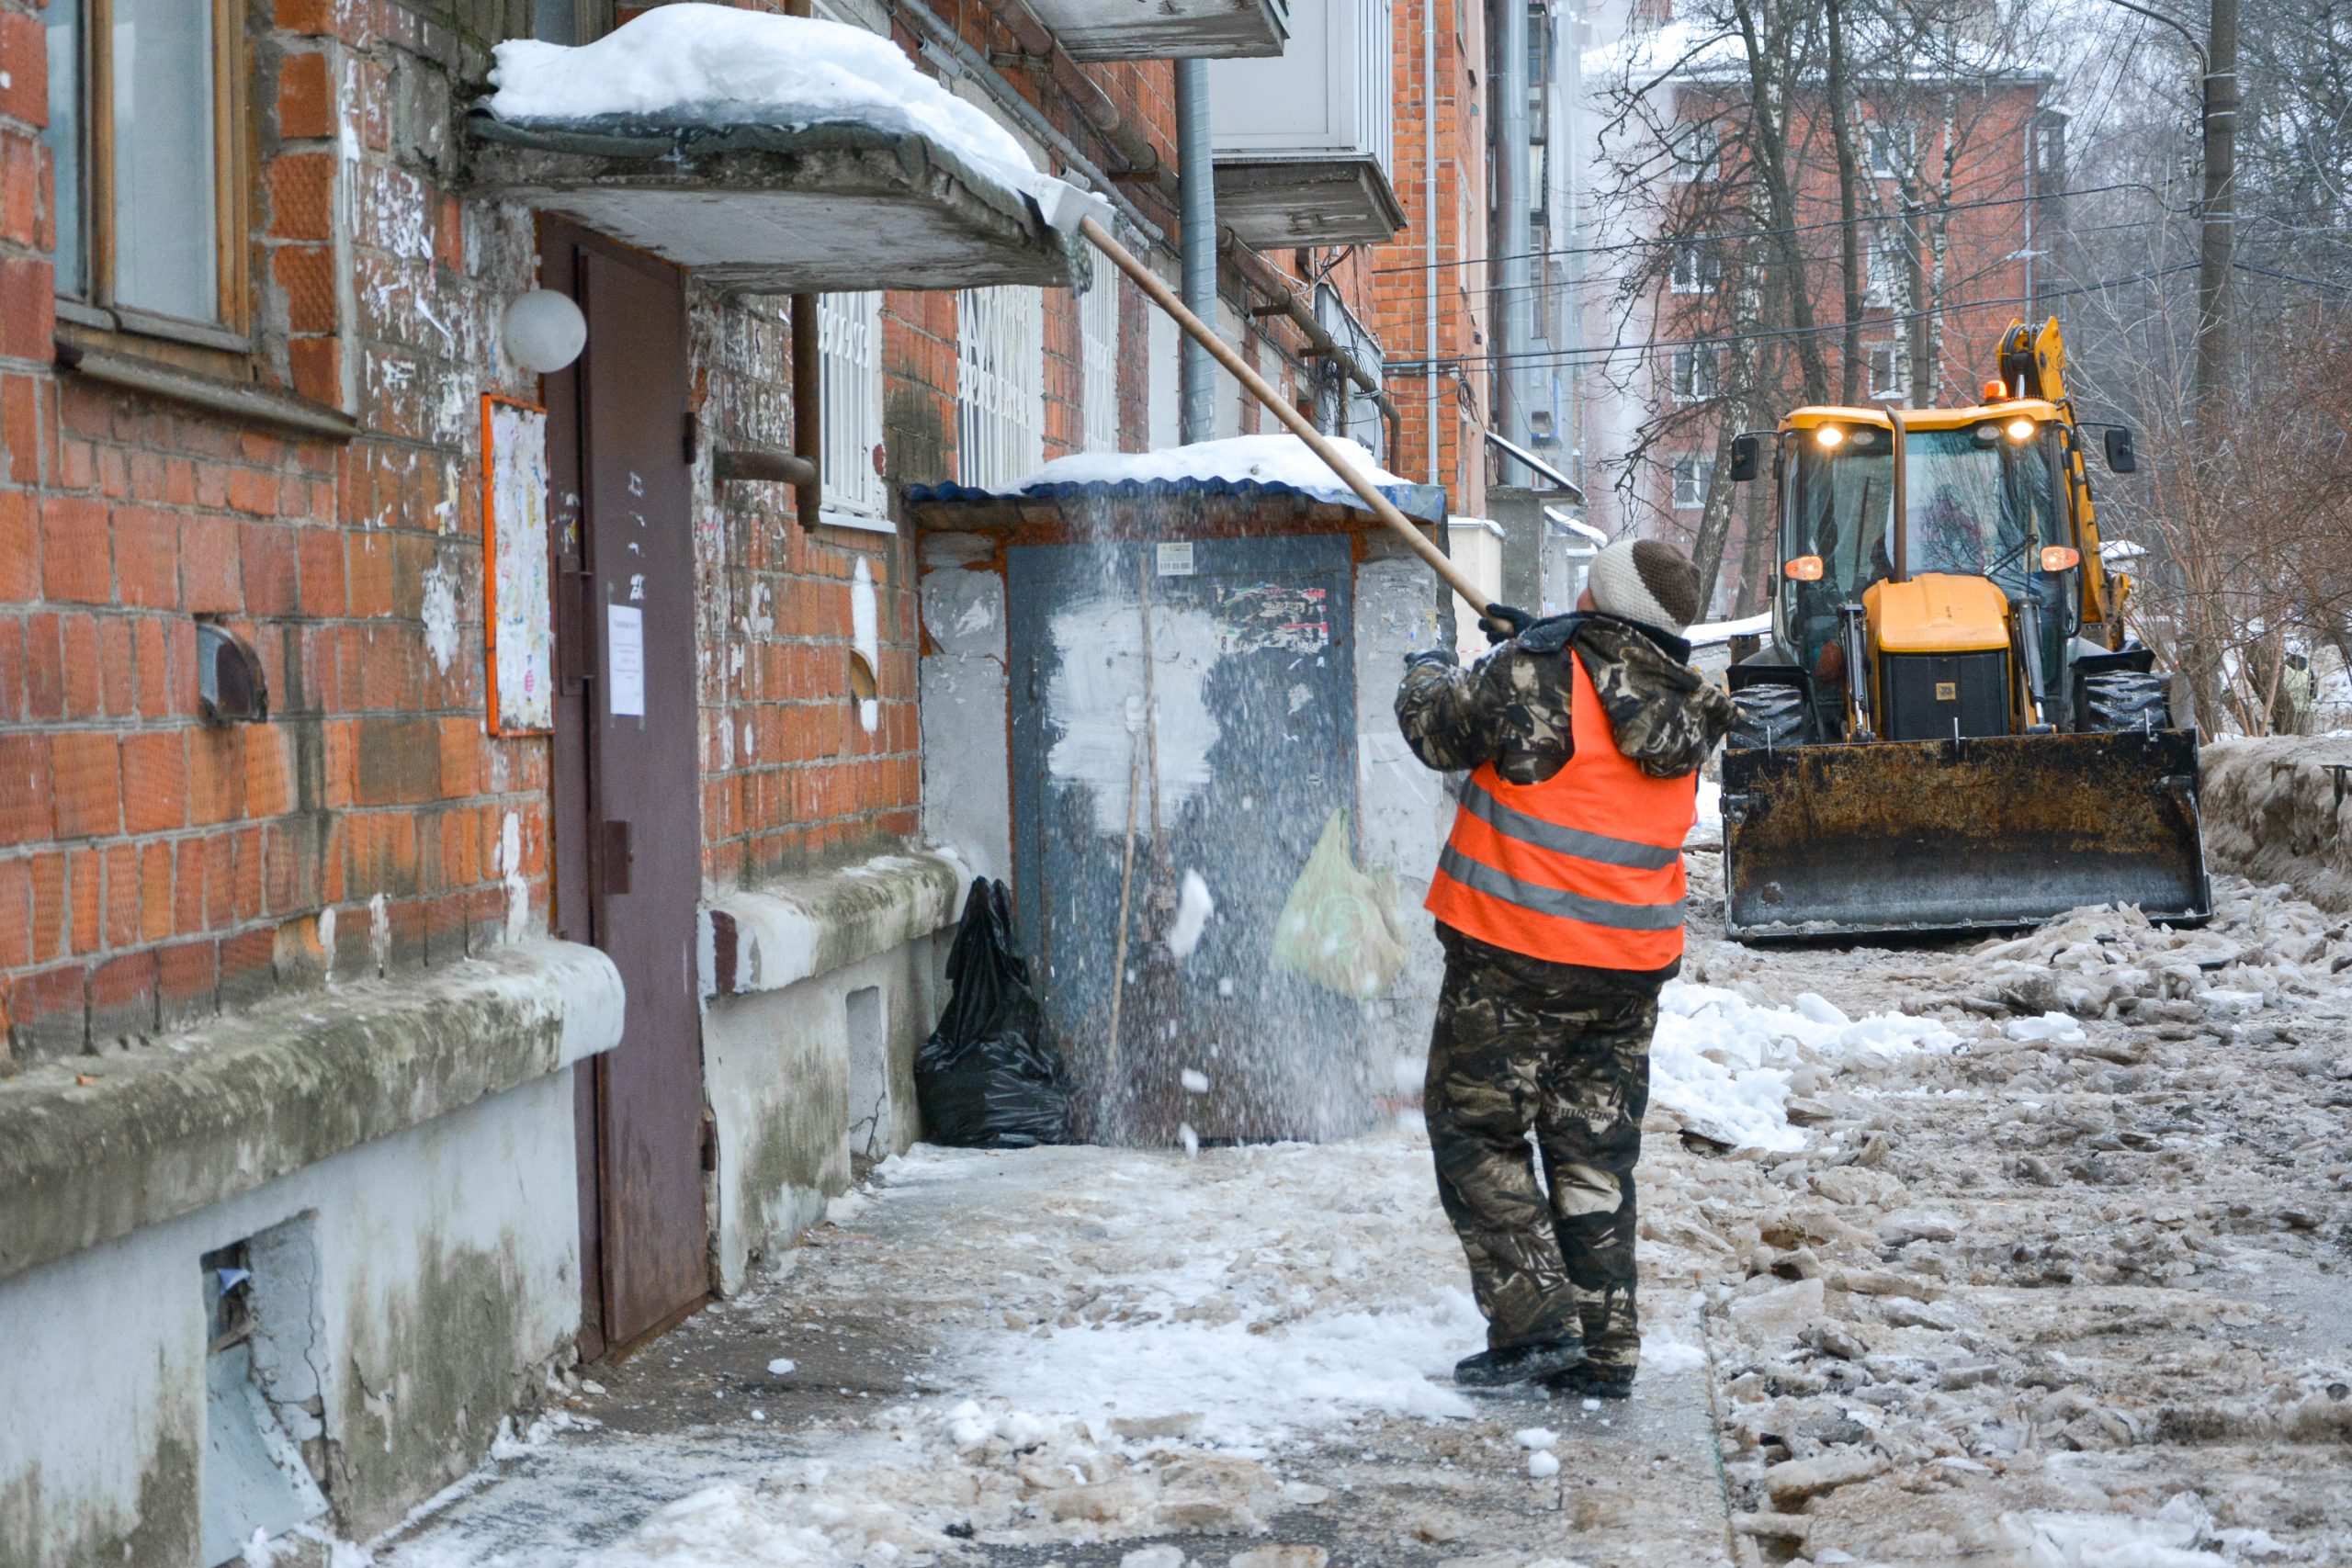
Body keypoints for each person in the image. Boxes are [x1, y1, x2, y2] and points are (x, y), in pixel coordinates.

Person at [1396, 538, 1732, 1396]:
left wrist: (1433, 664)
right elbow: (1592, 698)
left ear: (1603, 593)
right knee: (1593, 1153)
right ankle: (1606, 1351)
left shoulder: (1533, 674)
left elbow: (1437, 730)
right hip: (1627, 969)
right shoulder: (1688, 701)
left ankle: (1536, 1319)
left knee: (1476, 1130)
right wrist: (1533, 639)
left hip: (1517, 957)